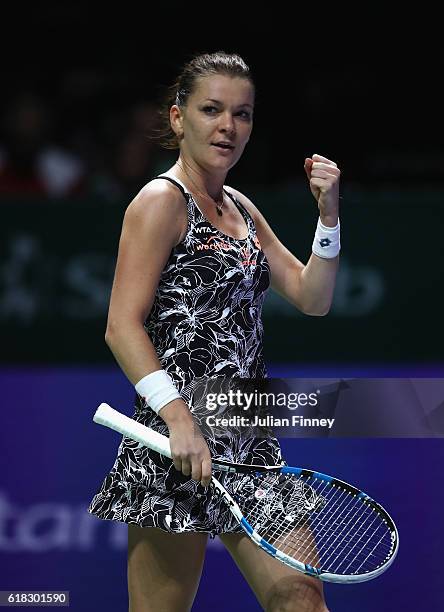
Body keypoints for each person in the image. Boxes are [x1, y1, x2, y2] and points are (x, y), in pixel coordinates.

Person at [88, 51, 340, 612]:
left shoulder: (242, 209)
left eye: (242, 113)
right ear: (179, 118)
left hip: (248, 439)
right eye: (211, 110)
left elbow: (312, 297)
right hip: (176, 444)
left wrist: (328, 219)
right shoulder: (160, 202)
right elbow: (120, 327)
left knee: (303, 603)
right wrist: (177, 418)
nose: (228, 126)